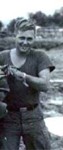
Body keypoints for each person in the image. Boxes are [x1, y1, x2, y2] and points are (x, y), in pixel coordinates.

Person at [0, 18, 55, 150]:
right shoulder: (2, 57)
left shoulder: (40, 56)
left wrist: (24, 76)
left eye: (29, 39)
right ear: (15, 36)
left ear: (35, 38)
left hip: (33, 117)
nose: (25, 42)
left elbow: (45, 85)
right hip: (8, 118)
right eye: (22, 38)